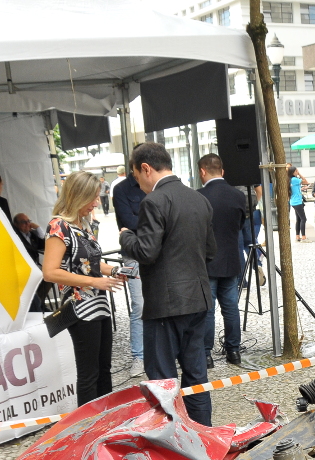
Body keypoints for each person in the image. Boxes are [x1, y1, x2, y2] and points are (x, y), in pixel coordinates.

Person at [118, 142, 217, 422]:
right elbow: (211, 251)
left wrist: (126, 236)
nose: (137, 184)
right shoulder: (199, 198)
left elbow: (146, 252)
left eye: (136, 176)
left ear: (146, 168)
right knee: (197, 377)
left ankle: (171, 441)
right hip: (198, 299)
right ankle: (203, 433)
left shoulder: (153, 201)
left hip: (165, 305)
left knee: (162, 379)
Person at [41, 172, 122, 406]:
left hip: (98, 304)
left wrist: (115, 272)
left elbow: (91, 263)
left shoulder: (81, 224)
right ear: (78, 196)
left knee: (104, 369)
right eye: (93, 198)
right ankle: (89, 428)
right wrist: (93, 282)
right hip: (80, 307)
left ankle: (106, 421)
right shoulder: (58, 226)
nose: (96, 203)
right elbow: (50, 272)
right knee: (89, 374)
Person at [197, 153, 247, 368]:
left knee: (207, 310)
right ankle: (233, 351)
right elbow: (241, 225)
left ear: (202, 171)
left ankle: (206, 355)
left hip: (206, 262)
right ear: (223, 171)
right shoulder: (238, 195)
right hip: (231, 259)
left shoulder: (198, 196)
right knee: (231, 308)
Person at [112, 166, 148, 377]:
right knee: (139, 305)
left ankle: (162, 352)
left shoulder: (155, 185)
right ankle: (139, 356)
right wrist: (154, 222)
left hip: (158, 250)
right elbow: (127, 222)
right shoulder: (122, 189)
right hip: (132, 253)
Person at [289, 167, 308, 242]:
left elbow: (295, 189)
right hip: (297, 202)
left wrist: (301, 189)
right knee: (303, 219)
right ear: (293, 172)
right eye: (296, 171)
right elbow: (305, 181)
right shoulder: (294, 179)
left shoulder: (290, 179)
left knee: (299, 219)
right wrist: (300, 174)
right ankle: (303, 236)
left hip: (294, 201)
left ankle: (297, 236)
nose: (297, 172)